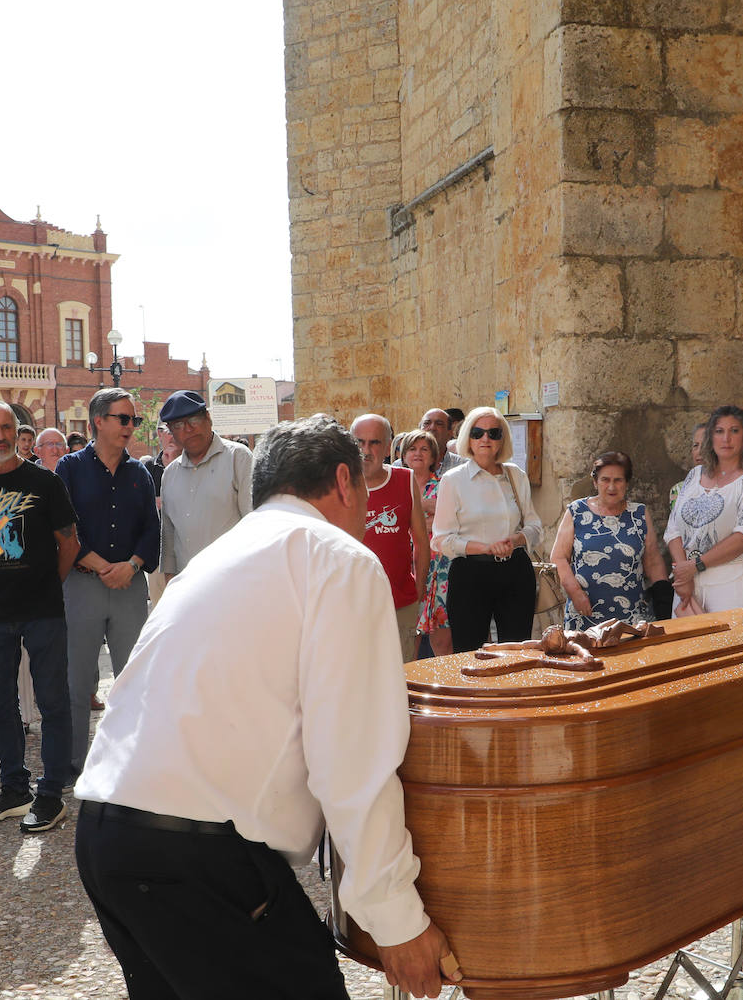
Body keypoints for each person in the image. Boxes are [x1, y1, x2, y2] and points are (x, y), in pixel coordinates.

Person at [74, 414, 460, 999]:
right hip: (196, 853)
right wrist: (396, 920)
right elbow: (352, 758)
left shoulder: (219, 555)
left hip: (107, 833)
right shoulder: (338, 558)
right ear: (343, 481)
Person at [0, 400, 78, 832]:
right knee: (1, 705)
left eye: (7, 427)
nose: (0, 436)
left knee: (53, 701)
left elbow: (70, 543)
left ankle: (51, 795)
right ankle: (14, 790)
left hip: (43, 611)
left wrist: (45, 584)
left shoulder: (46, 483)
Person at [55, 388, 159, 780]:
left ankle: (132, 765)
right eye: (124, 418)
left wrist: (130, 567)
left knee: (133, 681)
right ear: (98, 421)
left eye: (134, 420)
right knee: (77, 683)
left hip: (130, 588)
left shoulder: (140, 474)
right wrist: (101, 566)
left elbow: (152, 529)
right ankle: (72, 767)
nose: (131, 427)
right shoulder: (69, 468)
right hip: (82, 587)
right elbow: (63, 525)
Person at [431, 405, 544, 653]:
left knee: (517, 652)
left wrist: (515, 540)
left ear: (502, 439)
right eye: (478, 432)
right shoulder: (454, 480)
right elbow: (441, 540)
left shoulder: (516, 475)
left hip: (515, 571)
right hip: (470, 574)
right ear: (467, 438)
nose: (485, 439)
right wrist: (485, 547)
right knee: (470, 654)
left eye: (494, 433)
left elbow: (535, 526)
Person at [665, 406, 743, 616]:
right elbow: (673, 529)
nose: (726, 439)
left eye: (734, 431)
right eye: (719, 431)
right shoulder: (694, 475)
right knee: (685, 646)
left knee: (728, 644)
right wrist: (682, 574)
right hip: (687, 580)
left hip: (733, 580)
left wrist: (694, 566)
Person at [552, 451, 667, 630]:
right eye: (605, 480)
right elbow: (558, 558)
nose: (611, 487)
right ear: (595, 482)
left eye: (618, 480)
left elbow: (652, 561)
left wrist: (665, 600)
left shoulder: (639, 514)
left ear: (627, 483)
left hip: (630, 616)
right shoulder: (577, 511)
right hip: (585, 615)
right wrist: (575, 593)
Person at [353, 414, 429, 663]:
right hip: (352, 606)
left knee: (400, 680)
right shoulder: (337, 485)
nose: (366, 450)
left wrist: (417, 594)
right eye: (359, 442)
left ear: (388, 447)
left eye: (374, 443)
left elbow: (420, 541)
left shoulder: (404, 480)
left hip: (399, 604)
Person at [158, 390, 253, 578]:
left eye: (193, 420)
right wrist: (170, 579)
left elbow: (253, 523)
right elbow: (169, 535)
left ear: (208, 418)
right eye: (178, 425)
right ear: (170, 432)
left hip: (232, 579)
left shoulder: (238, 458)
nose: (188, 429)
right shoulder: (170, 474)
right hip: (187, 583)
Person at [402, 429, 451, 656]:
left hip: (438, 569)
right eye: (412, 448)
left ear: (434, 457)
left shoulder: (445, 486)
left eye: (424, 449)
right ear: (403, 454)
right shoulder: (396, 485)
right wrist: (427, 513)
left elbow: (448, 521)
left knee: (440, 638)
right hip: (404, 564)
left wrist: (415, 517)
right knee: (408, 635)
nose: (418, 454)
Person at [143, 423, 181, 606]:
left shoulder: (195, 466)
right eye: (168, 431)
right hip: (158, 556)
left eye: (176, 429)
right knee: (161, 609)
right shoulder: (149, 467)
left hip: (188, 553)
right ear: (160, 435)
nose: (172, 435)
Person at [413, 409, 465, 476]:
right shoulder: (401, 466)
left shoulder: (462, 466)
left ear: (449, 433)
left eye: (439, 424)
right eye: (427, 423)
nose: (432, 428)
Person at [669, 422, 706, 507]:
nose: (699, 451)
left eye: (706, 445)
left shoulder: (732, 489)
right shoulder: (679, 490)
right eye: (695, 445)